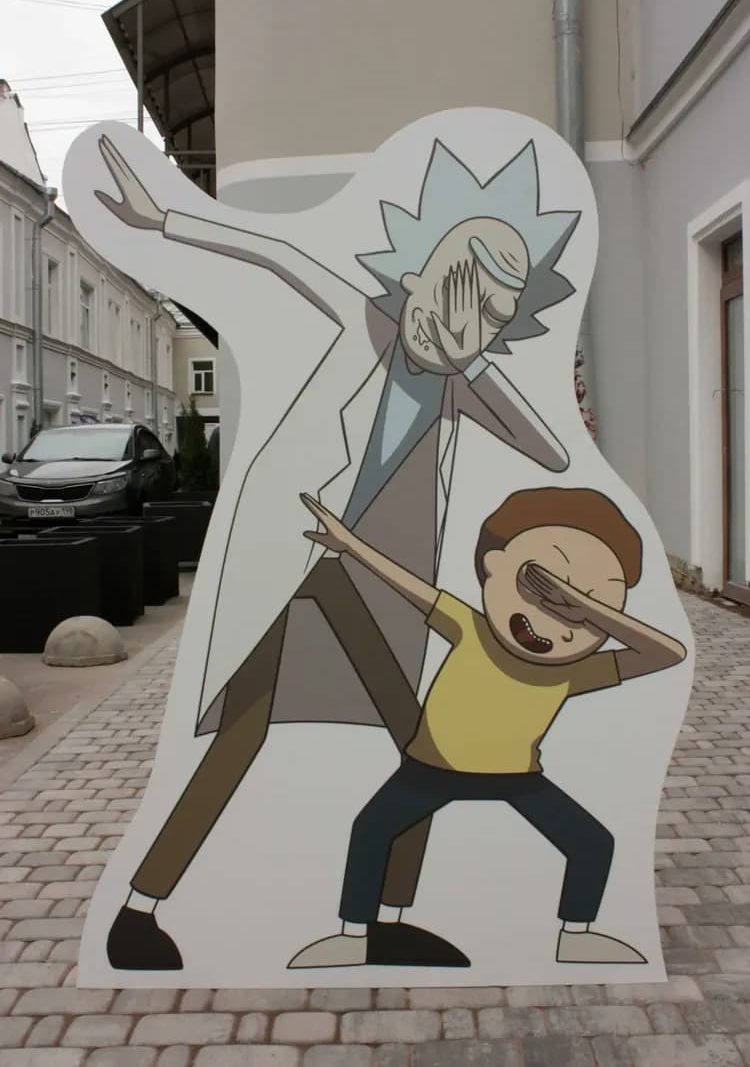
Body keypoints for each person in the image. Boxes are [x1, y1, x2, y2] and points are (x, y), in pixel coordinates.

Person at [84, 131, 580, 970]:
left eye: (500, 319)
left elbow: (553, 451)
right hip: (313, 563)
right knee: (335, 736)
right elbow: (278, 255)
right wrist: (165, 219)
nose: (482, 330)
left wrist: (478, 371)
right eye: (478, 306)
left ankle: (189, 911)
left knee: (394, 739)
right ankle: (158, 913)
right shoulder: (366, 320)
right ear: (442, 282)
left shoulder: (460, 385)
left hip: (383, 578)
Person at [288, 486, 687, 968]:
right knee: (371, 829)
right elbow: (405, 585)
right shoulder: (470, 627)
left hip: (517, 778)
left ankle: (576, 935)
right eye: (540, 589)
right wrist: (350, 544)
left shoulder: (573, 671)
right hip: (430, 769)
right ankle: (354, 936)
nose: (553, 622)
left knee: (592, 842)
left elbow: (668, 653)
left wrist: (590, 608)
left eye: (577, 616)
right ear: (495, 566)